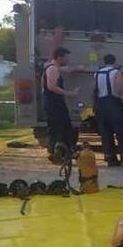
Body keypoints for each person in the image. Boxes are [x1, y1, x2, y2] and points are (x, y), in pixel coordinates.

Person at [42, 29, 84, 162]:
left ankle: (64, 153)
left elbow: (67, 69)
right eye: (66, 58)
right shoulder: (53, 69)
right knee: (57, 129)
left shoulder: (55, 67)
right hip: (53, 103)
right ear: (59, 57)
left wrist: (77, 68)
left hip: (57, 103)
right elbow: (51, 87)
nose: (67, 60)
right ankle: (55, 155)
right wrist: (70, 93)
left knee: (65, 127)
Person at [94, 54, 123, 166]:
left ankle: (110, 158)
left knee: (105, 131)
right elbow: (120, 91)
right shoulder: (116, 73)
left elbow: (95, 91)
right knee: (122, 131)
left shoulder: (97, 73)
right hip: (113, 104)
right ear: (115, 62)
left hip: (100, 104)